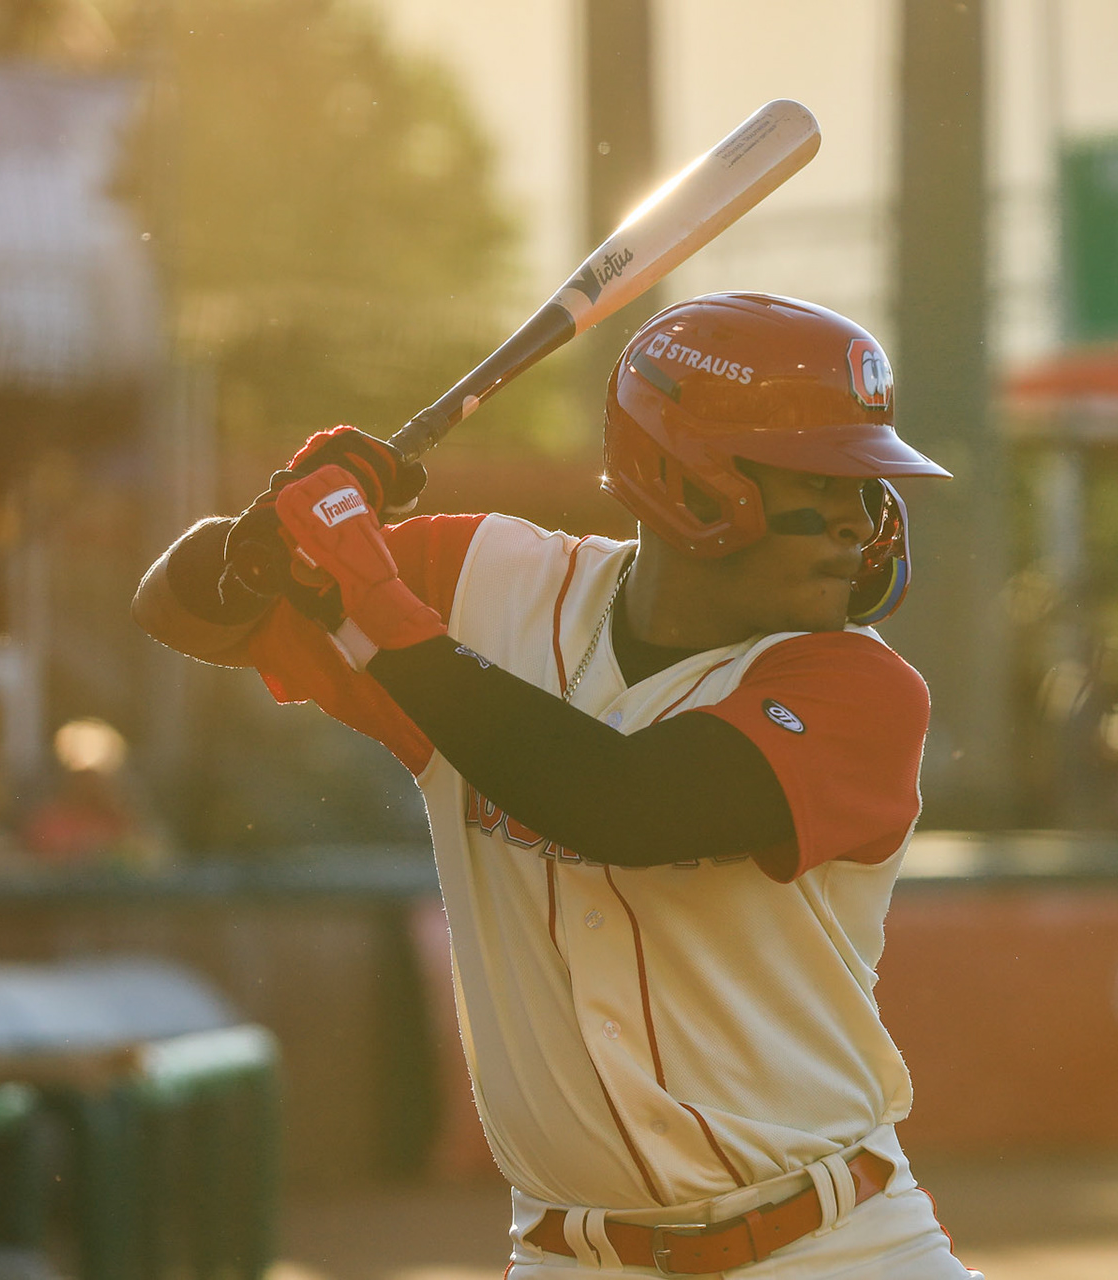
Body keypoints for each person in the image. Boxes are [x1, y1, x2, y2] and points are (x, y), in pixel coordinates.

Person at [135, 294, 977, 1276]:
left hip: (831, 1248)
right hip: (570, 1255)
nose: (861, 521)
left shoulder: (858, 685)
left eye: (868, 482)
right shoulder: (488, 582)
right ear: (694, 481)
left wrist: (376, 603)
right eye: (823, 481)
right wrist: (277, 527)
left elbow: (619, 803)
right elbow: (181, 611)